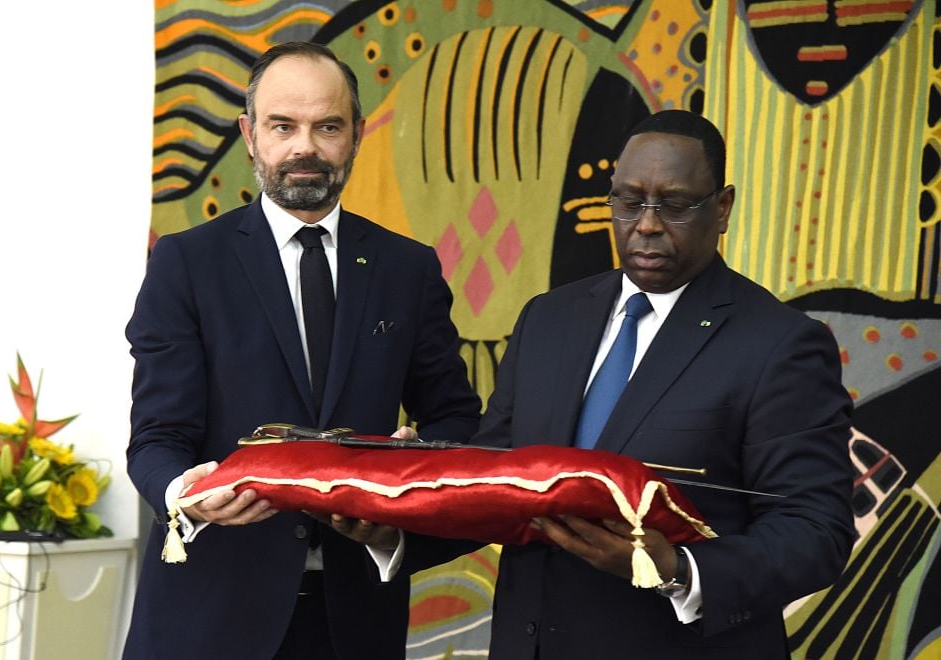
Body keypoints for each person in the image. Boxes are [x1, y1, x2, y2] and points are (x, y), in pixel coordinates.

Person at [123, 41, 481, 660]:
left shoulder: (408, 269)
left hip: (353, 619)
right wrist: (187, 495)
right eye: (283, 126)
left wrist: (405, 480)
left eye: (328, 127)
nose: (304, 148)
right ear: (250, 135)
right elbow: (156, 437)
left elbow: (455, 420)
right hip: (209, 616)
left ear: (358, 135)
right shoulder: (187, 263)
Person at [474, 110, 855, 659]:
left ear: (721, 208)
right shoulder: (548, 318)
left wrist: (678, 568)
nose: (646, 224)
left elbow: (814, 532)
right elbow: (493, 474)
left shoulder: (780, 344)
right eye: (628, 202)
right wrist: (389, 506)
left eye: (673, 205)